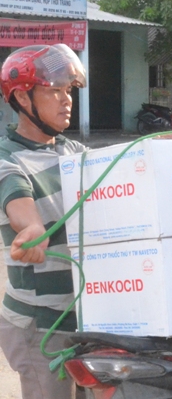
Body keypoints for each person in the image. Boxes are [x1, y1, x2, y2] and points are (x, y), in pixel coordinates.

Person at [0, 44, 87, 399]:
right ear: (22, 98)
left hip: (84, 316)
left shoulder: (74, 152)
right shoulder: (7, 158)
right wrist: (32, 229)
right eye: (54, 91)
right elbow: (17, 199)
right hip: (41, 325)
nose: (66, 100)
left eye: (69, 90)